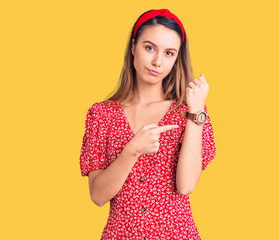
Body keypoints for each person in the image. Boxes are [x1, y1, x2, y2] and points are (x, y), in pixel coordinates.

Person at [79, 8, 216, 239]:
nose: (157, 62)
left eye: (169, 53)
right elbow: (98, 196)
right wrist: (131, 151)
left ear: (177, 59)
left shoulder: (186, 111)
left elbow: (186, 186)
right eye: (149, 47)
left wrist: (196, 112)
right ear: (133, 47)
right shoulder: (102, 115)